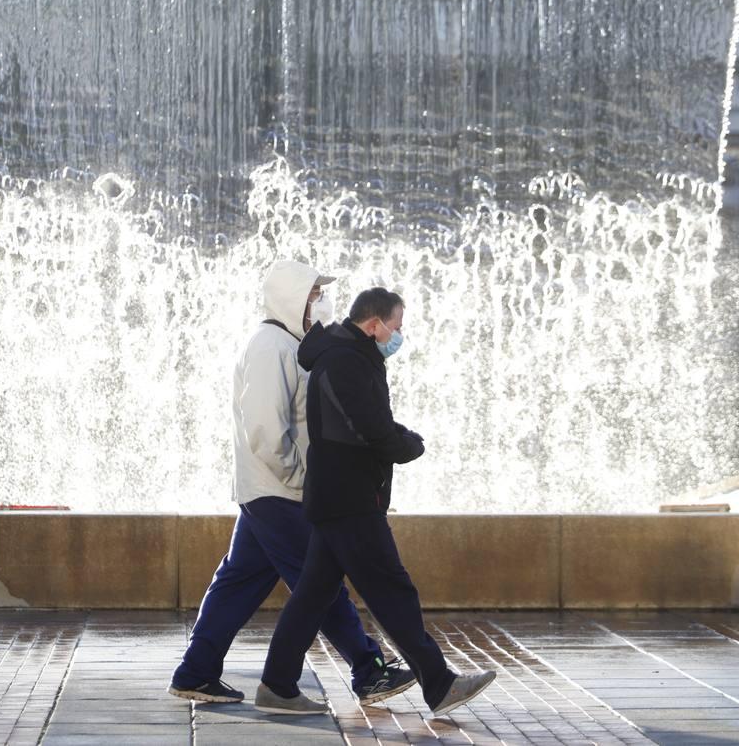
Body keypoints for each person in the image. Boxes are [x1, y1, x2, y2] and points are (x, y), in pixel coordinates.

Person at [169, 261, 416, 706]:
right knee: (320, 585)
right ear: (290, 297)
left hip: (268, 490)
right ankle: (368, 669)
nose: (318, 302)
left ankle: (196, 671)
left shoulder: (286, 343)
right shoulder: (270, 345)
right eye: (312, 294)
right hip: (280, 492)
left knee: (238, 584)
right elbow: (265, 430)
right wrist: (303, 479)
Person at [254, 287, 496, 717]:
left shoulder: (348, 355)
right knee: (392, 591)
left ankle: (276, 684)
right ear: (373, 325)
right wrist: (408, 445)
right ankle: (439, 685)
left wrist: (397, 436)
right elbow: (369, 427)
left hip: (338, 497)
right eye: (396, 327)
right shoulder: (345, 361)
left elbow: (365, 420)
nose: (397, 335)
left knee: (312, 597)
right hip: (350, 501)